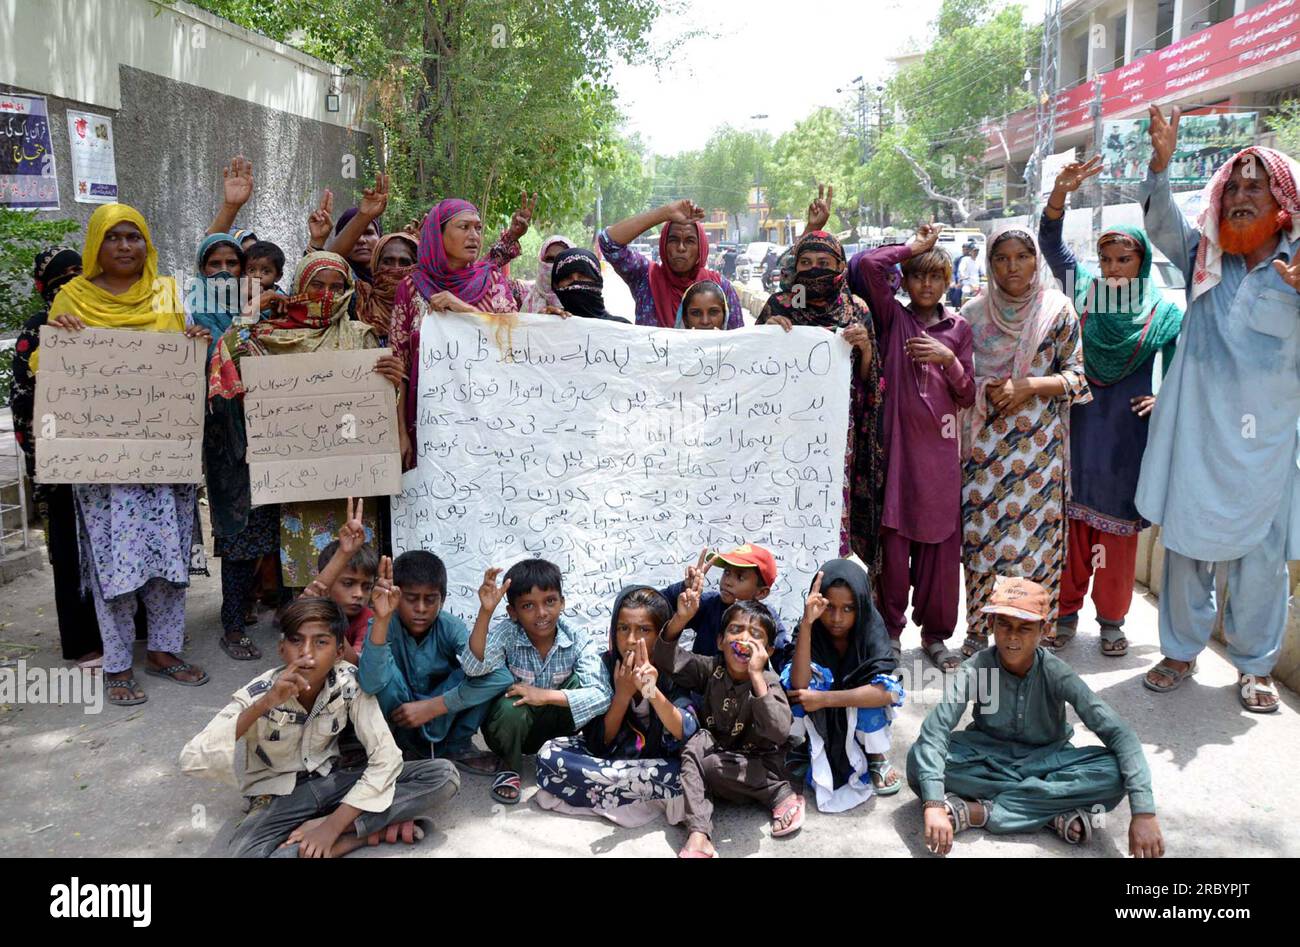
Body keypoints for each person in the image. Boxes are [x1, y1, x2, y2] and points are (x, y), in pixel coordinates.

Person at [1134, 106, 1300, 713]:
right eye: (1232, 185)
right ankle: (1180, 651)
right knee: (1185, 544)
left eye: (1255, 186)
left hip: (1268, 445)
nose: (1239, 195)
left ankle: (1255, 667)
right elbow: (1160, 222)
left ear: (1283, 204)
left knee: (1261, 557)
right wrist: (1159, 166)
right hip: (1200, 434)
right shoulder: (1205, 254)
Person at [45, 203, 212, 705]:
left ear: (147, 244)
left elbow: (185, 367)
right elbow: (48, 367)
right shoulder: (71, 297)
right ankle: (117, 662)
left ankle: (163, 649)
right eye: (114, 237)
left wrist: (193, 343)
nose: (124, 246)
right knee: (113, 562)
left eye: (134, 237)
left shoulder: (167, 295)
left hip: (163, 458)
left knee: (168, 554)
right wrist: (59, 341)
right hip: (101, 464)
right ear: (97, 244)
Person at [179, 597, 461, 857]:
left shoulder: (349, 682)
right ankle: (362, 835)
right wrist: (264, 705)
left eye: (320, 642)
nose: (307, 654)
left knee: (442, 775)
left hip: (334, 780)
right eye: (296, 641)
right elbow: (193, 758)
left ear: (339, 651)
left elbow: (385, 757)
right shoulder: (261, 692)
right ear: (281, 649)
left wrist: (331, 825)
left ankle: (340, 831)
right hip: (279, 796)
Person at [906, 577, 1165, 857]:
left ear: (1043, 630)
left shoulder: (1056, 671)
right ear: (991, 626)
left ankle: (981, 812)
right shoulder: (977, 668)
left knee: (1115, 774)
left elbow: (1119, 733)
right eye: (1004, 624)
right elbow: (936, 730)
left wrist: (1144, 813)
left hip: (1048, 761)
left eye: (1025, 627)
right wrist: (933, 805)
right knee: (917, 758)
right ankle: (1051, 813)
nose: (1012, 636)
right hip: (987, 758)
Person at [1040, 154, 1184, 656]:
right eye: (1106, 260)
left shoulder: (1163, 313)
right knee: (1074, 527)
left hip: (1127, 436)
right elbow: (1052, 248)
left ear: (1141, 262)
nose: (1114, 269)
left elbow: (1180, 365)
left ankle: (1112, 621)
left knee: (1119, 537)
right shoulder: (1087, 296)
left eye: (1123, 260)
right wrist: (1060, 196)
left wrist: (1164, 398)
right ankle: (1064, 614)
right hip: (1081, 429)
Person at [206, 252, 406, 590]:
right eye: (317, 285)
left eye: (336, 286)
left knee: (357, 567)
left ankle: (356, 633)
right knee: (305, 572)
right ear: (299, 285)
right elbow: (225, 361)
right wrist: (251, 313)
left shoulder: (362, 336)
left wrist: (396, 383)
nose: (327, 294)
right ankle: (308, 624)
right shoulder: (272, 335)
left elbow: (380, 408)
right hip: (297, 478)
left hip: (353, 473)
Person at [958, 225, 1091, 657]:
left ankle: (1033, 631)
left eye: (1022, 256)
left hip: (1039, 448)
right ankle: (980, 628)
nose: (1012, 266)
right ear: (989, 264)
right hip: (985, 445)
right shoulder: (973, 315)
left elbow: (1077, 378)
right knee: (983, 541)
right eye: (1001, 258)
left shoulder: (1057, 310)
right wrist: (985, 387)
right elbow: (958, 379)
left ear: (1036, 261)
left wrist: (1028, 386)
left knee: (1033, 543)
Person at [851, 223, 974, 671]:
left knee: (939, 555)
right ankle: (890, 633)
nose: (926, 284)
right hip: (896, 454)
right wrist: (913, 247)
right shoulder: (892, 318)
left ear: (947, 282)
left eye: (935, 276)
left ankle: (937, 636)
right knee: (895, 551)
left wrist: (950, 362)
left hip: (939, 457)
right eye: (917, 274)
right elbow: (866, 264)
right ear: (904, 279)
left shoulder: (957, 328)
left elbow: (968, 395)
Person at [8, 246, 133, 668]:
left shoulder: (103, 317)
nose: (72, 283)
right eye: (62, 277)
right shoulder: (38, 329)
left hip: (109, 460)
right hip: (58, 464)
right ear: (46, 286)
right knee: (69, 552)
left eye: (79, 274)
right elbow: (25, 405)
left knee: (114, 543)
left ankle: (126, 631)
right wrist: (48, 455)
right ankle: (83, 643)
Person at [759, 189, 884, 566]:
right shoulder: (782, 305)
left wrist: (863, 348)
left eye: (824, 261)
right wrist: (766, 332)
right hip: (783, 431)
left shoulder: (855, 308)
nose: (814, 269)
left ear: (840, 265)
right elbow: (752, 371)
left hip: (837, 436)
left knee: (828, 513)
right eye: (806, 262)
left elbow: (870, 382)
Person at [389, 194, 537, 469]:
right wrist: (400, 433)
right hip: (431, 425)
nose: (474, 236)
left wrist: (464, 309)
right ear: (437, 233)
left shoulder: (491, 280)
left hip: (490, 420)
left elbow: (513, 344)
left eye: (478, 228)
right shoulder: (410, 288)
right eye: (463, 227)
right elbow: (401, 371)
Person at [535, 586, 699, 826]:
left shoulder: (677, 666)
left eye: (644, 629)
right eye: (623, 629)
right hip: (614, 759)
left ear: (661, 633)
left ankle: (607, 794)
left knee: (685, 773)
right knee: (549, 753)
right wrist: (622, 696)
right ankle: (639, 797)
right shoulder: (603, 664)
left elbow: (686, 731)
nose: (631, 640)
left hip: (660, 762)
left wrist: (651, 691)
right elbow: (597, 743)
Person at [652, 599, 798, 857]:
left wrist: (755, 675)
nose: (744, 640)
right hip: (721, 757)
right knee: (695, 743)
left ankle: (779, 792)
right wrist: (681, 619)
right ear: (720, 641)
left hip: (761, 765)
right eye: (736, 630)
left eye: (756, 636)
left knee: (711, 767)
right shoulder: (711, 669)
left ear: (769, 651)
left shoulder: (769, 682)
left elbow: (778, 731)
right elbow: (666, 659)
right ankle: (699, 834)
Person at [462, 559, 612, 805]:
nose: (542, 613)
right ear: (513, 612)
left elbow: (602, 695)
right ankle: (510, 768)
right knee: (508, 704)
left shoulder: (576, 638)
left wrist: (543, 695)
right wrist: (485, 612)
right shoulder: (507, 632)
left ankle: (565, 758)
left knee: (580, 683)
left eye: (550, 601)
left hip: (560, 729)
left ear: (562, 602)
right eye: (528, 605)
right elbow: (473, 667)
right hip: (516, 728)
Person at [356, 550, 513, 763]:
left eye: (430, 600)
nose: (420, 609)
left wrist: (435, 706)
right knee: (383, 669)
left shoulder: (449, 625)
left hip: (444, 716)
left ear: (443, 600)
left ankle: (459, 746)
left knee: (478, 671)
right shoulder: (383, 624)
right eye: (411, 599)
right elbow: (370, 683)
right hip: (399, 718)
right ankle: (395, 748)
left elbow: (501, 677)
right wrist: (382, 619)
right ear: (396, 596)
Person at [782, 560, 904, 812]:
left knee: (872, 695)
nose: (837, 619)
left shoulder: (871, 628)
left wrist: (827, 699)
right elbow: (799, 683)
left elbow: (887, 693)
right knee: (794, 693)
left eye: (848, 609)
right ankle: (804, 748)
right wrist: (807, 624)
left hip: (848, 705)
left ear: (861, 605)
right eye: (829, 608)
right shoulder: (810, 623)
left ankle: (875, 757)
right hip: (822, 705)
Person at [598, 199, 745, 329]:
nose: (681, 248)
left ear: (701, 248)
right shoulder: (646, 277)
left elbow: (740, 342)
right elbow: (609, 242)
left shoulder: (720, 286)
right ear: (663, 245)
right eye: (674, 240)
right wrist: (665, 213)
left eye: (689, 241)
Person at [659, 545, 790, 657]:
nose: (727, 582)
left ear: (761, 592)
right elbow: (658, 608)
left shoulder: (768, 619)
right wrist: (684, 588)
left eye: (740, 577)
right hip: (701, 680)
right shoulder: (709, 603)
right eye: (727, 572)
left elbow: (783, 658)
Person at [302, 498, 378, 666]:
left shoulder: (368, 619)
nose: (359, 594)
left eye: (367, 587)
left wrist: (328, 623)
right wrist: (344, 552)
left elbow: (356, 665)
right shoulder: (313, 607)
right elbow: (304, 605)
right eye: (348, 584)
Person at [353, 231, 418, 343]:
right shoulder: (360, 302)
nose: (395, 269)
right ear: (375, 265)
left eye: (404, 262)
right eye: (387, 261)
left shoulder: (428, 309)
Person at [549, 247, 630, 322]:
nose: (575, 282)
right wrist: (542, 322)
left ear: (597, 280)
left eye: (583, 276)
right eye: (567, 277)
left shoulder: (622, 328)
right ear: (556, 285)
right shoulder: (550, 324)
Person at [522, 235, 574, 313]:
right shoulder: (529, 301)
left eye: (562, 260)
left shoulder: (581, 300)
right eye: (550, 259)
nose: (554, 265)